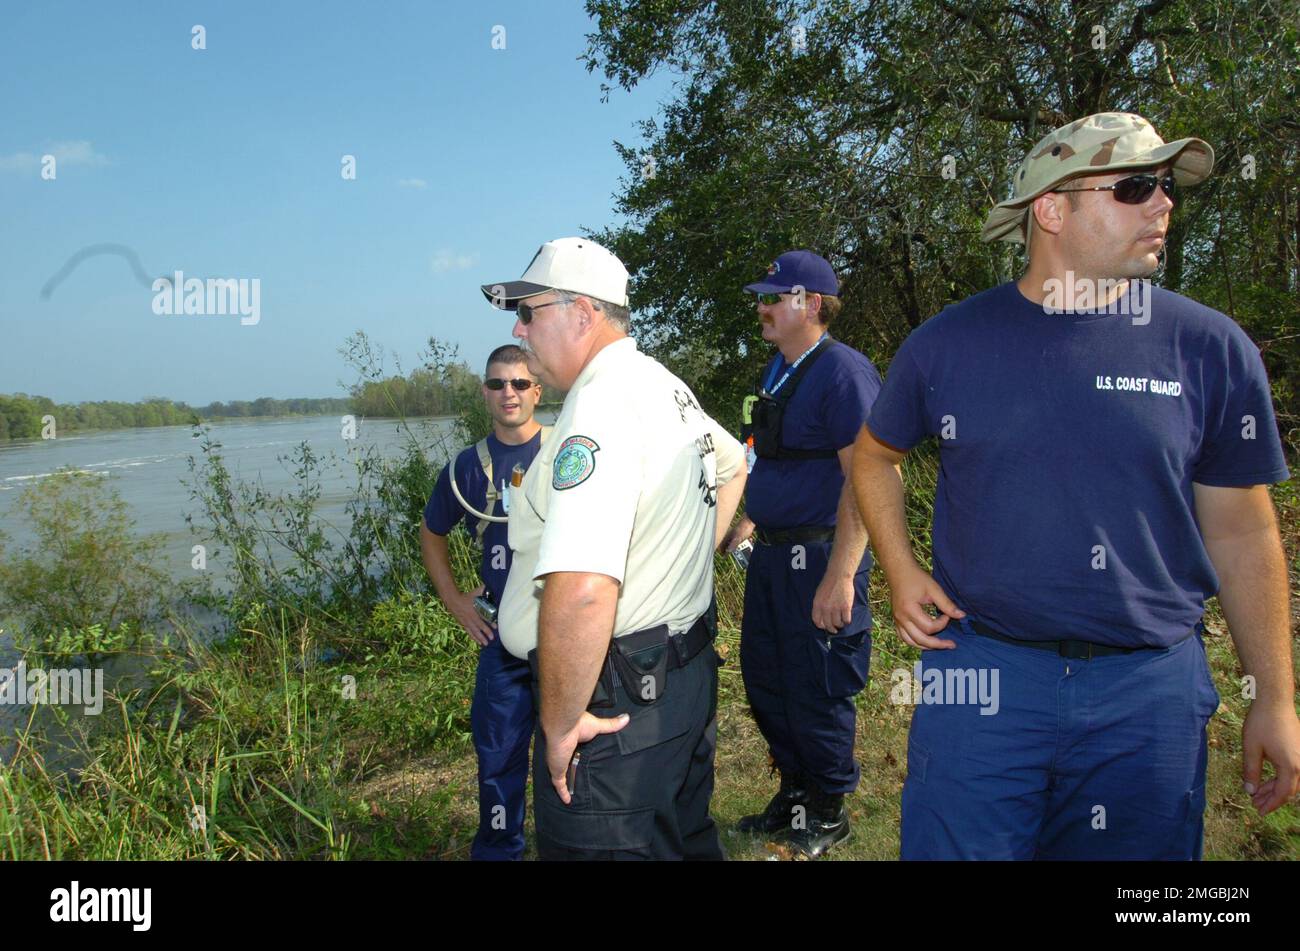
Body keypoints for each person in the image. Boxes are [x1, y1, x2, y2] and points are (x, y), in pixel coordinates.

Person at [852, 111, 1300, 859]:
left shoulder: (1209, 348)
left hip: (1149, 692)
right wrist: (899, 570)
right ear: (1051, 210)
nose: (1163, 203)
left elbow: (1243, 530)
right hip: (983, 675)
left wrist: (1276, 697)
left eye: (1164, 186)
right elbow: (874, 456)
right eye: (1134, 187)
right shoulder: (948, 343)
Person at [482, 236, 746, 860]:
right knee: (680, 840)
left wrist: (560, 723)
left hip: (613, 710)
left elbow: (581, 588)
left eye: (530, 311)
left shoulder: (599, 403)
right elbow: (735, 465)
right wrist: (677, 565)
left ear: (582, 313)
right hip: (677, 681)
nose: (519, 330)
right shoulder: (661, 384)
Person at [721, 250, 883, 858]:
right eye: (761, 296)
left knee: (818, 684)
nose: (761, 307)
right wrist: (749, 521)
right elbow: (779, 460)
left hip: (820, 559)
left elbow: (866, 482)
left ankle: (830, 807)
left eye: (772, 297)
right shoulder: (780, 367)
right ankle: (794, 795)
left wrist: (841, 574)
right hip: (771, 556)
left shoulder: (844, 374)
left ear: (810, 304)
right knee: (768, 678)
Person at [419, 344, 546, 861]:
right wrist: (455, 600)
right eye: (497, 384)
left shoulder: (570, 451)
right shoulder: (467, 469)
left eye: (519, 383)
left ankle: (580, 845)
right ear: (485, 393)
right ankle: (499, 851)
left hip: (568, 626)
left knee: (583, 749)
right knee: (498, 753)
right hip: (502, 638)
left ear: (538, 389)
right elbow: (432, 533)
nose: (508, 393)